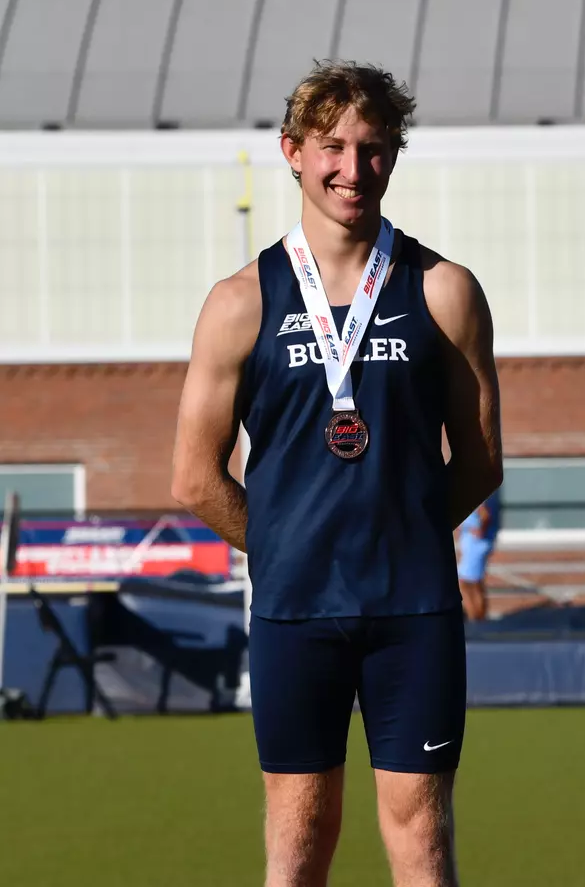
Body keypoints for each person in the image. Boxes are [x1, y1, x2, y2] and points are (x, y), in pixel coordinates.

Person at [171, 61, 502, 887]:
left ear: (394, 156)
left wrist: (408, 535)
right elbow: (194, 477)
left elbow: (482, 458)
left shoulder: (445, 291)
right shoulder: (239, 301)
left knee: (422, 839)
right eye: (332, 147)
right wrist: (286, 550)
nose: (352, 169)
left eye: (373, 148)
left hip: (412, 610)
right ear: (292, 152)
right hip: (295, 612)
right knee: (298, 844)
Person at [456, 490, 501, 621]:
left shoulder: (477, 493)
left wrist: (480, 530)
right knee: (474, 581)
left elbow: (485, 514)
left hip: (476, 544)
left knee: (466, 582)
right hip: (474, 543)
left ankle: (475, 613)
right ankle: (477, 613)